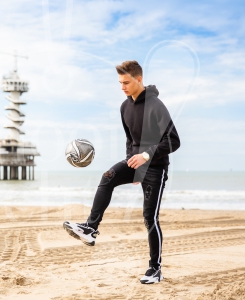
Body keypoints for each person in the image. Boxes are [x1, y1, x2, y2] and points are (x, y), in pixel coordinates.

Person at [63, 60, 180, 284]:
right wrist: (132, 166)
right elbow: (130, 140)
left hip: (155, 168)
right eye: (120, 82)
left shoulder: (156, 106)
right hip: (135, 163)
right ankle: (90, 228)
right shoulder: (124, 107)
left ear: (139, 79)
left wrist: (146, 156)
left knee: (150, 218)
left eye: (126, 82)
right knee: (107, 177)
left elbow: (174, 141)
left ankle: (155, 269)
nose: (122, 87)